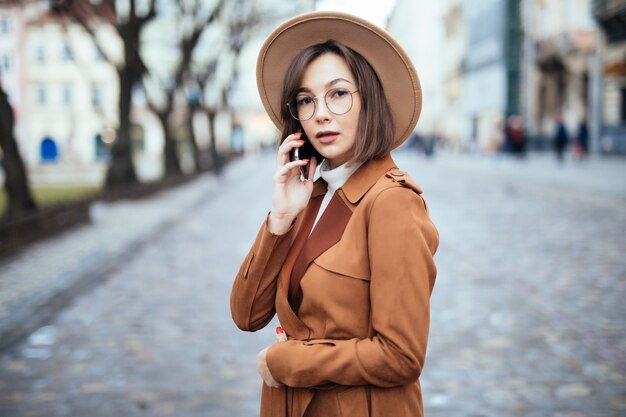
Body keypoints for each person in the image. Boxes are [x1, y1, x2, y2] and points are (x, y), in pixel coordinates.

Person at [230, 11, 439, 417]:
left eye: (338, 93)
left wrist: (286, 362)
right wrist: (280, 219)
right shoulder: (312, 195)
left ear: (370, 100)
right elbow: (247, 313)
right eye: (306, 100)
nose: (320, 113)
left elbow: (401, 355)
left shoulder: (391, 201)